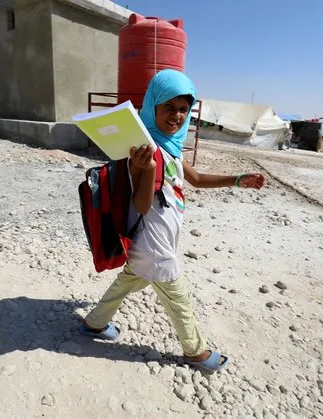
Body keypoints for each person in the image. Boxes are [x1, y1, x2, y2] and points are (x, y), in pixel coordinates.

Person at [79, 69, 266, 372]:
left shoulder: (170, 147)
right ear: (152, 106)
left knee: (128, 281)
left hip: (155, 240)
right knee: (178, 298)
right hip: (154, 243)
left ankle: (94, 324)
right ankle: (196, 352)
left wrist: (237, 179)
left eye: (183, 109)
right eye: (168, 107)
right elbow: (140, 205)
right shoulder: (144, 149)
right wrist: (147, 170)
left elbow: (198, 179)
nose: (176, 115)